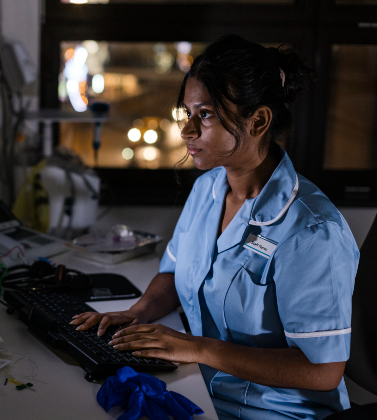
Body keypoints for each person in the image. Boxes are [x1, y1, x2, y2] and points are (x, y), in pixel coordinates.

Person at [71, 34, 359, 420]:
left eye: (204, 115)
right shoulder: (209, 187)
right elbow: (174, 273)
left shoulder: (312, 231)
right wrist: (137, 313)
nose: (187, 130)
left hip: (273, 413)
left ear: (258, 121)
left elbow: (323, 371)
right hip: (199, 386)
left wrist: (199, 348)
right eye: (186, 113)